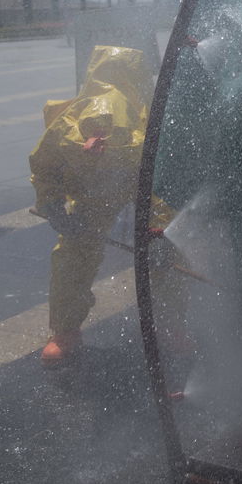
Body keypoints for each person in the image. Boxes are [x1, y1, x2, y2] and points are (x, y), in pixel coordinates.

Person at [29, 45, 170, 366]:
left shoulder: (149, 118)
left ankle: (170, 322)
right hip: (93, 194)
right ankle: (65, 330)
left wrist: (162, 230)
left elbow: (166, 171)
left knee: (167, 241)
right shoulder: (66, 125)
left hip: (142, 185)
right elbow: (45, 165)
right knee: (74, 252)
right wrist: (52, 204)